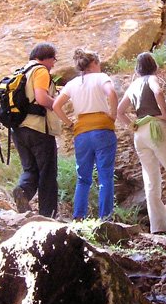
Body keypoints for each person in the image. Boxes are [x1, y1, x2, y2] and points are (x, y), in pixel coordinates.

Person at [116, 51, 166, 235]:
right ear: (154, 66)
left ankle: (158, 226)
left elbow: (119, 111)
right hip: (155, 128)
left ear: (137, 68)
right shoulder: (151, 79)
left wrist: (131, 126)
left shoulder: (133, 85)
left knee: (151, 180)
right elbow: (158, 91)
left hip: (140, 134)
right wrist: (164, 115)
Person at [53, 49, 118, 220]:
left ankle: (78, 217)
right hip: (103, 129)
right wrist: (113, 115)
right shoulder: (101, 77)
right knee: (105, 176)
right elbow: (111, 93)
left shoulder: (72, 83)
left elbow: (56, 106)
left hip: (81, 132)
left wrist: (69, 123)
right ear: (95, 63)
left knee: (83, 177)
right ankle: (105, 218)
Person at [10, 42, 61, 217]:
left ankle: (22, 191)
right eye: (53, 59)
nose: (53, 64)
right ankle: (48, 216)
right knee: (47, 173)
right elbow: (41, 98)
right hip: (38, 129)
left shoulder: (21, 71)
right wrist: (57, 104)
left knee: (30, 170)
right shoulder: (40, 71)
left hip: (17, 130)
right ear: (45, 57)